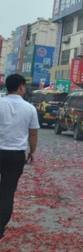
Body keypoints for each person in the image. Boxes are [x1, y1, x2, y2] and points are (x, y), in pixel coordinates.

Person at [0, 74, 39, 239]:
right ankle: (0, 227)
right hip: (16, 155)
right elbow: (33, 133)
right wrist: (32, 151)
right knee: (7, 191)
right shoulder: (29, 108)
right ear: (21, 87)